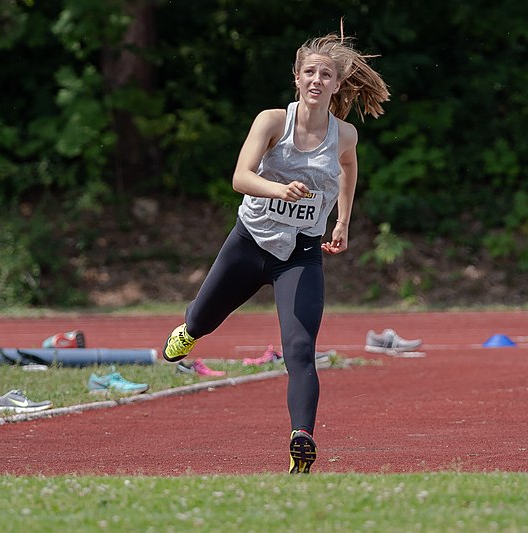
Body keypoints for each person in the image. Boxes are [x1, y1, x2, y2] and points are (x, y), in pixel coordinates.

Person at [162, 27, 390, 474]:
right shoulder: (272, 121)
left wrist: (342, 220)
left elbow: (348, 167)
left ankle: (301, 439)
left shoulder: (344, 136)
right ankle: (189, 326)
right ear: (297, 78)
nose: (317, 80)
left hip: (301, 255)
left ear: (337, 84)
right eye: (309, 72)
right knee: (203, 320)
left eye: (326, 74)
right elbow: (240, 178)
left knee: (300, 349)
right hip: (250, 242)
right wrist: (279, 189)